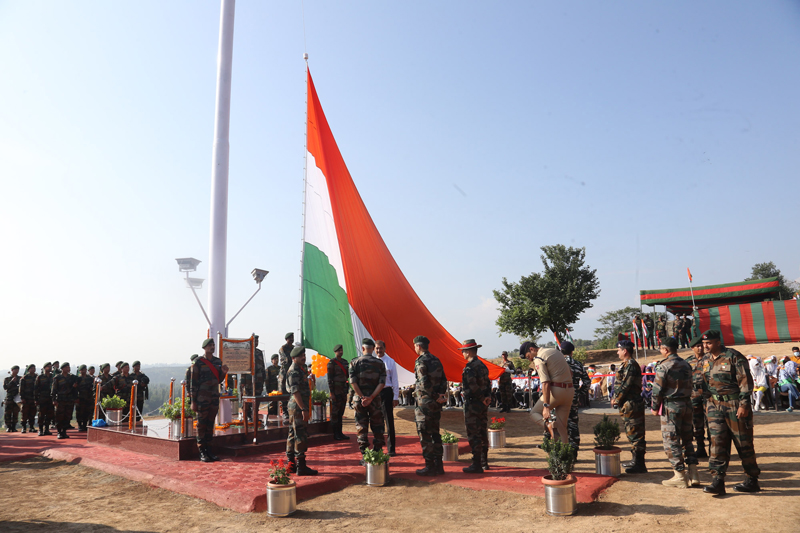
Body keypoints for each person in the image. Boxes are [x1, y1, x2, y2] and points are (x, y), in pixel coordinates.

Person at [700, 330, 761, 495]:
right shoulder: (705, 360)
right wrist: (707, 403)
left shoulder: (734, 357)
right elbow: (705, 383)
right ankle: (717, 481)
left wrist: (744, 405)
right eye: (704, 343)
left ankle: (752, 479)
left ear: (718, 342)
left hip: (734, 404)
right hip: (714, 405)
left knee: (743, 443)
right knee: (717, 442)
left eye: (709, 343)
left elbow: (745, 382)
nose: (705, 346)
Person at [651, 338, 698, 488]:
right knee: (687, 439)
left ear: (665, 350)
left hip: (671, 406)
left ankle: (679, 475)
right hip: (687, 404)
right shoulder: (686, 364)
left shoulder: (664, 366)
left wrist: (654, 407)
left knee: (671, 440)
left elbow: (657, 389)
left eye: (661, 349)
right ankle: (694, 473)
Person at [545, 341, 589, 459]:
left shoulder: (555, 364)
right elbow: (586, 382)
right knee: (572, 424)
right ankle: (573, 454)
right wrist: (578, 394)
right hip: (572, 398)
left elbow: (546, 382)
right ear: (571, 352)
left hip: (557, 397)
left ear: (560, 351)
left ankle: (558, 454)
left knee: (556, 424)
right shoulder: (578, 364)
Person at [523, 341, 573, 445]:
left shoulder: (539, 358)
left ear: (532, 349)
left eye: (528, 356)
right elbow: (570, 372)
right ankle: (564, 453)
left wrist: (546, 406)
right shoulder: (555, 351)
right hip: (569, 390)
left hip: (556, 391)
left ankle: (550, 426)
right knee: (562, 426)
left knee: (534, 413)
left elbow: (545, 382)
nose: (530, 359)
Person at [413, 335, 447, 476]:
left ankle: (430, 466)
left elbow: (423, 383)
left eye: (415, 346)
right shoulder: (436, 360)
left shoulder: (421, 361)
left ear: (419, 346)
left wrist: (433, 395)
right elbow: (444, 380)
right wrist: (440, 395)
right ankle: (439, 466)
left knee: (425, 434)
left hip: (425, 404)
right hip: (436, 403)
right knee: (435, 433)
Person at [611, 340, 647, 474]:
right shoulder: (626, 364)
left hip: (632, 404)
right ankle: (635, 460)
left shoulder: (630, 365)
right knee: (631, 432)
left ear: (625, 351)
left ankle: (640, 464)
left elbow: (626, 385)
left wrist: (616, 399)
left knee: (635, 433)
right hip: (628, 404)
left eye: (619, 350)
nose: (617, 352)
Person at [190, 338, 228, 463]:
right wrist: (193, 401)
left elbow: (219, 380)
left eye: (213, 345)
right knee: (201, 424)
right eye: (210, 345)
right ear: (204, 348)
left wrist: (223, 373)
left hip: (214, 397)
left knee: (210, 424)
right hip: (202, 398)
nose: (212, 347)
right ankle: (202, 451)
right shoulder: (198, 362)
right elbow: (193, 383)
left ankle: (209, 450)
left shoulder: (217, 362)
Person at [349, 338, 386, 458]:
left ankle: (365, 455)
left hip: (360, 401)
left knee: (361, 426)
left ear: (363, 348)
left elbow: (353, 382)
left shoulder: (354, 362)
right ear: (373, 349)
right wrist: (371, 397)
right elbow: (382, 383)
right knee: (378, 425)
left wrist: (362, 397)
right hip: (375, 400)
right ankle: (377, 453)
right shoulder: (380, 363)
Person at [285, 345, 318, 475]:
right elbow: (295, 392)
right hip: (297, 407)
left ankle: (291, 465)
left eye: (304, 355)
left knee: (293, 434)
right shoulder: (294, 371)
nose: (303, 357)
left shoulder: (301, 368)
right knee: (300, 434)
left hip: (298, 406)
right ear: (294, 358)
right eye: (300, 356)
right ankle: (301, 466)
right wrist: (303, 408)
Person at [459, 339, 491, 473]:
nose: (462, 354)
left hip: (473, 404)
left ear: (468, 352)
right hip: (482, 404)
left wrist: (482, 398)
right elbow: (488, 384)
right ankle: (484, 462)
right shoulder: (482, 365)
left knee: (474, 433)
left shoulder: (470, 367)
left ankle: (476, 464)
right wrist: (487, 397)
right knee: (482, 432)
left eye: (463, 351)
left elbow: (473, 386)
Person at [685, 335, 709, 458]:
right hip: (694, 395)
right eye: (697, 346)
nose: (700, 348)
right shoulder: (688, 361)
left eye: (701, 346)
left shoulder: (710, 359)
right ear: (692, 348)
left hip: (708, 395)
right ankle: (700, 448)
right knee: (697, 423)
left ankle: (714, 449)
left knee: (711, 422)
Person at [375, 340, 399, 455]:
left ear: (384, 349)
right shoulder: (373, 362)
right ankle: (378, 446)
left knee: (389, 421)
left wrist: (396, 397)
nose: (379, 350)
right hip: (375, 394)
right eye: (377, 348)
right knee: (376, 421)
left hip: (387, 393)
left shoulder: (390, 361)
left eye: (380, 348)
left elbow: (394, 380)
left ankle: (391, 448)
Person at [326, 344, 350, 440]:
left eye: (341, 350)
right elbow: (330, 379)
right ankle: (335, 433)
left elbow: (347, 375)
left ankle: (340, 433)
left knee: (341, 412)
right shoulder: (331, 363)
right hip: (336, 391)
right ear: (335, 352)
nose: (340, 352)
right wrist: (332, 393)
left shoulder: (345, 362)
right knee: (335, 413)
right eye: (339, 350)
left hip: (343, 390)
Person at [51, 362, 77, 439]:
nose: (68, 369)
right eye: (66, 367)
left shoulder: (71, 377)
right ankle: (59, 432)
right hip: (60, 400)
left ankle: (64, 432)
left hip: (69, 400)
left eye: (68, 367)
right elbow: (54, 389)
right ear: (62, 369)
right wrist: (54, 400)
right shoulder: (57, 378)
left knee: (67, 416)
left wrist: (74, 387)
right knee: (59, 417)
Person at [35, 362, 55, 436]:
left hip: (50, 398)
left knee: (50, 414)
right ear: (44, 368)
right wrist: (36, 399)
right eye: (48, 366)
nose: (50, 368)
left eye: (51, 366)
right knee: (41, 415)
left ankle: (46, 429)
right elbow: (36, 389)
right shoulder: (40, 377)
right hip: (42, 398)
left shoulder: (53, 376)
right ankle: (40, 430)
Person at [278, 332, 294, 420]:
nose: (291, 340)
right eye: (290, 338)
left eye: (292, 338)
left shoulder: (294, 348)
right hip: (284, 372)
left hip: (292, 372)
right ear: (286, 339)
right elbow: (287, 359)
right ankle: (284, 411)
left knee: (292, 391)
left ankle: (291, 410)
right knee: (283, 391)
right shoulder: (283, 348)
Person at [75, 364, 95, 431]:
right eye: (82, 370)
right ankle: (80, 425)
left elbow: (93, 386)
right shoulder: (78, 379)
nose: (84, 371)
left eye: (85, 369)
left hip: (88, 397)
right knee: (79, 412)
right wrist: (76, 398)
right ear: (80, 371)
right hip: (80, 397)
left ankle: (85, 425)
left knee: (87, 412)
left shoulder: (90, 378)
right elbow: (75, 388)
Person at [18, 364, 37, 433]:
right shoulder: (24, 378)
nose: (33, 369)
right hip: (26, 399)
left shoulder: (37, 377)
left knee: (33, 413)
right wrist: (22, 398)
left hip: (34, 398)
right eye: (32, 368)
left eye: (34, 368)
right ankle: (24, 427)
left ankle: (31, 427)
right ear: (28, 370)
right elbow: (21, 389)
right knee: (24, 414)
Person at [4, 365, 21, 432]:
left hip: (17, 398)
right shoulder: (7, 379)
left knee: (15, 413)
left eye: (18, 370)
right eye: (15, 369)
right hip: (9, 398)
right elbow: (6, 387)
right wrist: (12, 381)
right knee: (8, 413)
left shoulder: (20, 378)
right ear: (12, 370)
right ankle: (8, 427)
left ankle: (14, 427)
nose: (17, 371)